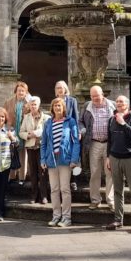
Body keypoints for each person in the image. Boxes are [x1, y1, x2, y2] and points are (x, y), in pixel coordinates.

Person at [40, 97, 81, 228]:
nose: (57, 108)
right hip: (51, 160)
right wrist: (43, 159)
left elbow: (76, 142)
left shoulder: (70, 122)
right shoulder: (48, 123)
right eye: (55, 105)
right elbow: (44, 143)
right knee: (54, 189)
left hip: (65, 160)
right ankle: (56, 216)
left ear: (63, 108)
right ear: (52, 108)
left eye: (59, 105)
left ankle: (67, 218)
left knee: (65, 189)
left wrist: (74, 159)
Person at [105, 95, 131, 234]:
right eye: (117, 102)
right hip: (115, 157)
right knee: (117, 191)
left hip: (130, 158)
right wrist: (108, 157)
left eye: (122, 101)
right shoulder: (111, 120)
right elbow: (109, 140)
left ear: (127, 104)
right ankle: (118, 219)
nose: (119, 103)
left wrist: (123, 123)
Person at [80, 85, 115, 210]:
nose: (95, 98)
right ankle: (95, 200)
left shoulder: (112, 105)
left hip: (109, 144)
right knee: (94, 173)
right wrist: (82, 130)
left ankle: (111, 200)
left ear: (102, 94)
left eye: (97, 96)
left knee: (110, 172)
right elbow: (80, 121)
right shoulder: (87, 106)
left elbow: (125, 114)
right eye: (92, 96)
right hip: (94, 143)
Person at [19, 96, 50, 204]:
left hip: (42, 147)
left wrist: (36, 133)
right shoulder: (26, 117)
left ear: (38, 105)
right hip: (31, 148)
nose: (33, 106)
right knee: (33, 173)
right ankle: (34, 196)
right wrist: (28, 135)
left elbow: (47, 131)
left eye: (35, 104)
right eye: (31, 104)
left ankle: (44, 196)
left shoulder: (46, 117)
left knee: (42, 173)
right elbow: (21, 132)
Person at [54, 80, 80, 190]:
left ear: (65, 89)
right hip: (58, 132)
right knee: (62, 156)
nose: (60, 89)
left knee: (73, 156)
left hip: (70, 131)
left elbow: (76, 116)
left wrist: (77, 131)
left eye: (61, 87)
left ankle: (73, 180)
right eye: (58, 88)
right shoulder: (54, 101)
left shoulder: (72, 100)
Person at [4, 81, 32, 184]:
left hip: (23, 131)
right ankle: (12, 176)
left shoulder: (28, 103)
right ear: (15, 91)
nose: (21, 92)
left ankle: (22, 177)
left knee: (23, 154)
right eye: (19, 90)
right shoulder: (8, 102)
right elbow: (4, 115)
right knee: (12, 153)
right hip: (11, 130)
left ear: (26, 92)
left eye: (23, 91)